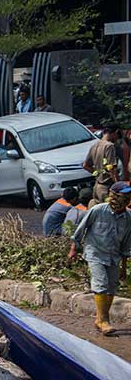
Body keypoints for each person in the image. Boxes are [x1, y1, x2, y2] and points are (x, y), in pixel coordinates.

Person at [69, 181, 131, 335]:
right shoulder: (98, 210)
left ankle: (99, 319)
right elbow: (79, 230)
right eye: (124, 195)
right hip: (95, 252)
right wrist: (73, 250)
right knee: (101, 283)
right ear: (115, 196)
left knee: (111, 286)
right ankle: (103, 320)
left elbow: (126, 244)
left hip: (114, 255)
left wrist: (124, 266)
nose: (128, 198)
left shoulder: (128, 217)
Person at [84, 123, 121, 205]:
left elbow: (86, 165)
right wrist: (118, 186)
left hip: (97, 187)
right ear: (116, 132)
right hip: (107, 188)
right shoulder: (109, 146)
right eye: (117, 136)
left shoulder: (95, 145)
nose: (117, 139)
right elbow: (112, 169)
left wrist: (99, 174)